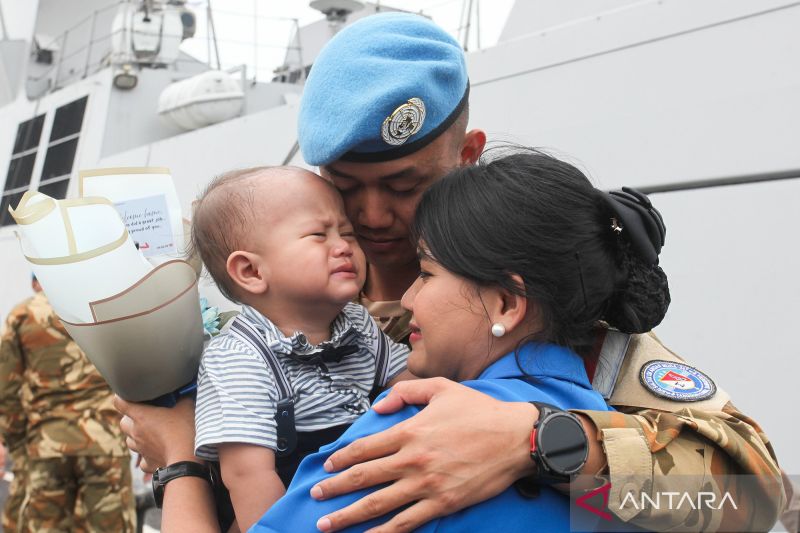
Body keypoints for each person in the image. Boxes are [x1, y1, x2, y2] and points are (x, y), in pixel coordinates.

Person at [120, 11, 784, 532]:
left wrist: (544, 442)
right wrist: (181, 459)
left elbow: (755, 494)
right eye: (346, 188)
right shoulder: (275, 319)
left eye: (404, 184)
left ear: (467, 154)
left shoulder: (554, 307)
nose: (373, 215)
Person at [188, 167, 410, 530]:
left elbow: (412, 381)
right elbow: (247, 475)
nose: (344, 247)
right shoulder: (239, 357)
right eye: (318, 235)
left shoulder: (356, 323)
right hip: (300, 515)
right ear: (251, 271)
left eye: (347, 233)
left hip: (369, 499)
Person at [0, 275, 136, 532]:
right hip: (105, 443)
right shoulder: (103, 309)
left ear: (35, 282)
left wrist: (19, 445)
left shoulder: (22, 314)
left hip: (47, 445)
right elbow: (134, 374)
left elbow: (7, 392)